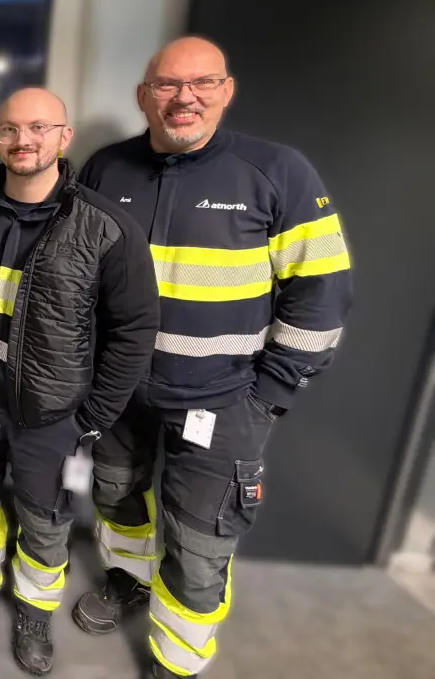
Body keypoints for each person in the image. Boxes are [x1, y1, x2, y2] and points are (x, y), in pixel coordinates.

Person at [70, 37, 353, 679]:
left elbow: (322, 290)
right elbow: (79, 274)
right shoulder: (105, 169)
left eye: (201, 83)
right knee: (115, 497)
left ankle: (177, 661)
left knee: (200, 542)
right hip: (117, 393)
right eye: (167, 85)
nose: (184, 97)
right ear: (144, 96)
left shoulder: (276, 170)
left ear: (226, 90)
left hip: (224, 400)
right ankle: (127, 580)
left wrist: (268, 395)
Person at [0, 88, 159, 675]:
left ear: (64, 137)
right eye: (10, 128)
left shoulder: (108, 229)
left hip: (52, 413)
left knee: (45, 514)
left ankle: (35, 608)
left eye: (38, 127)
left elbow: (134, 330)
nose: (23, 140)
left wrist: (92, 417)